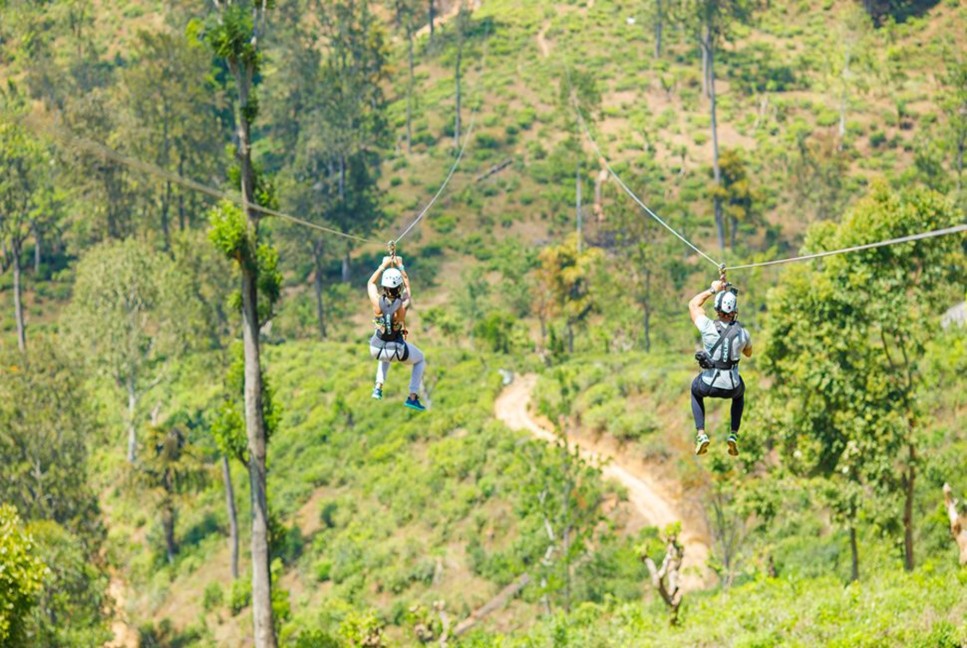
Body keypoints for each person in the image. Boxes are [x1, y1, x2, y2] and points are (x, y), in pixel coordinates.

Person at [688, 279, 752, 456]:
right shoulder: (743, 333)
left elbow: (693, 304)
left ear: (717, 309)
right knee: (740, 393)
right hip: (732, 387)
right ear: (734, 311)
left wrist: (712, 290)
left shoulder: (707, 326)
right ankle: (733, 434)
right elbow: (749, 353)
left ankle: (701, 434)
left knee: (695, 390)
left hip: (708, 384)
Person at [367, 254, 427, 411]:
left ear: (384, 287)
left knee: (383, 351)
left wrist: (383, 265)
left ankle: (378, 387)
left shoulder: (376, 303)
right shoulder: (402, 305)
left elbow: (370, 283)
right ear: (398, 287)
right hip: (396, 350)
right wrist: (400, 266)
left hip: (375, 348)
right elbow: (408, 289)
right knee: (420, 359)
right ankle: (412, 397)